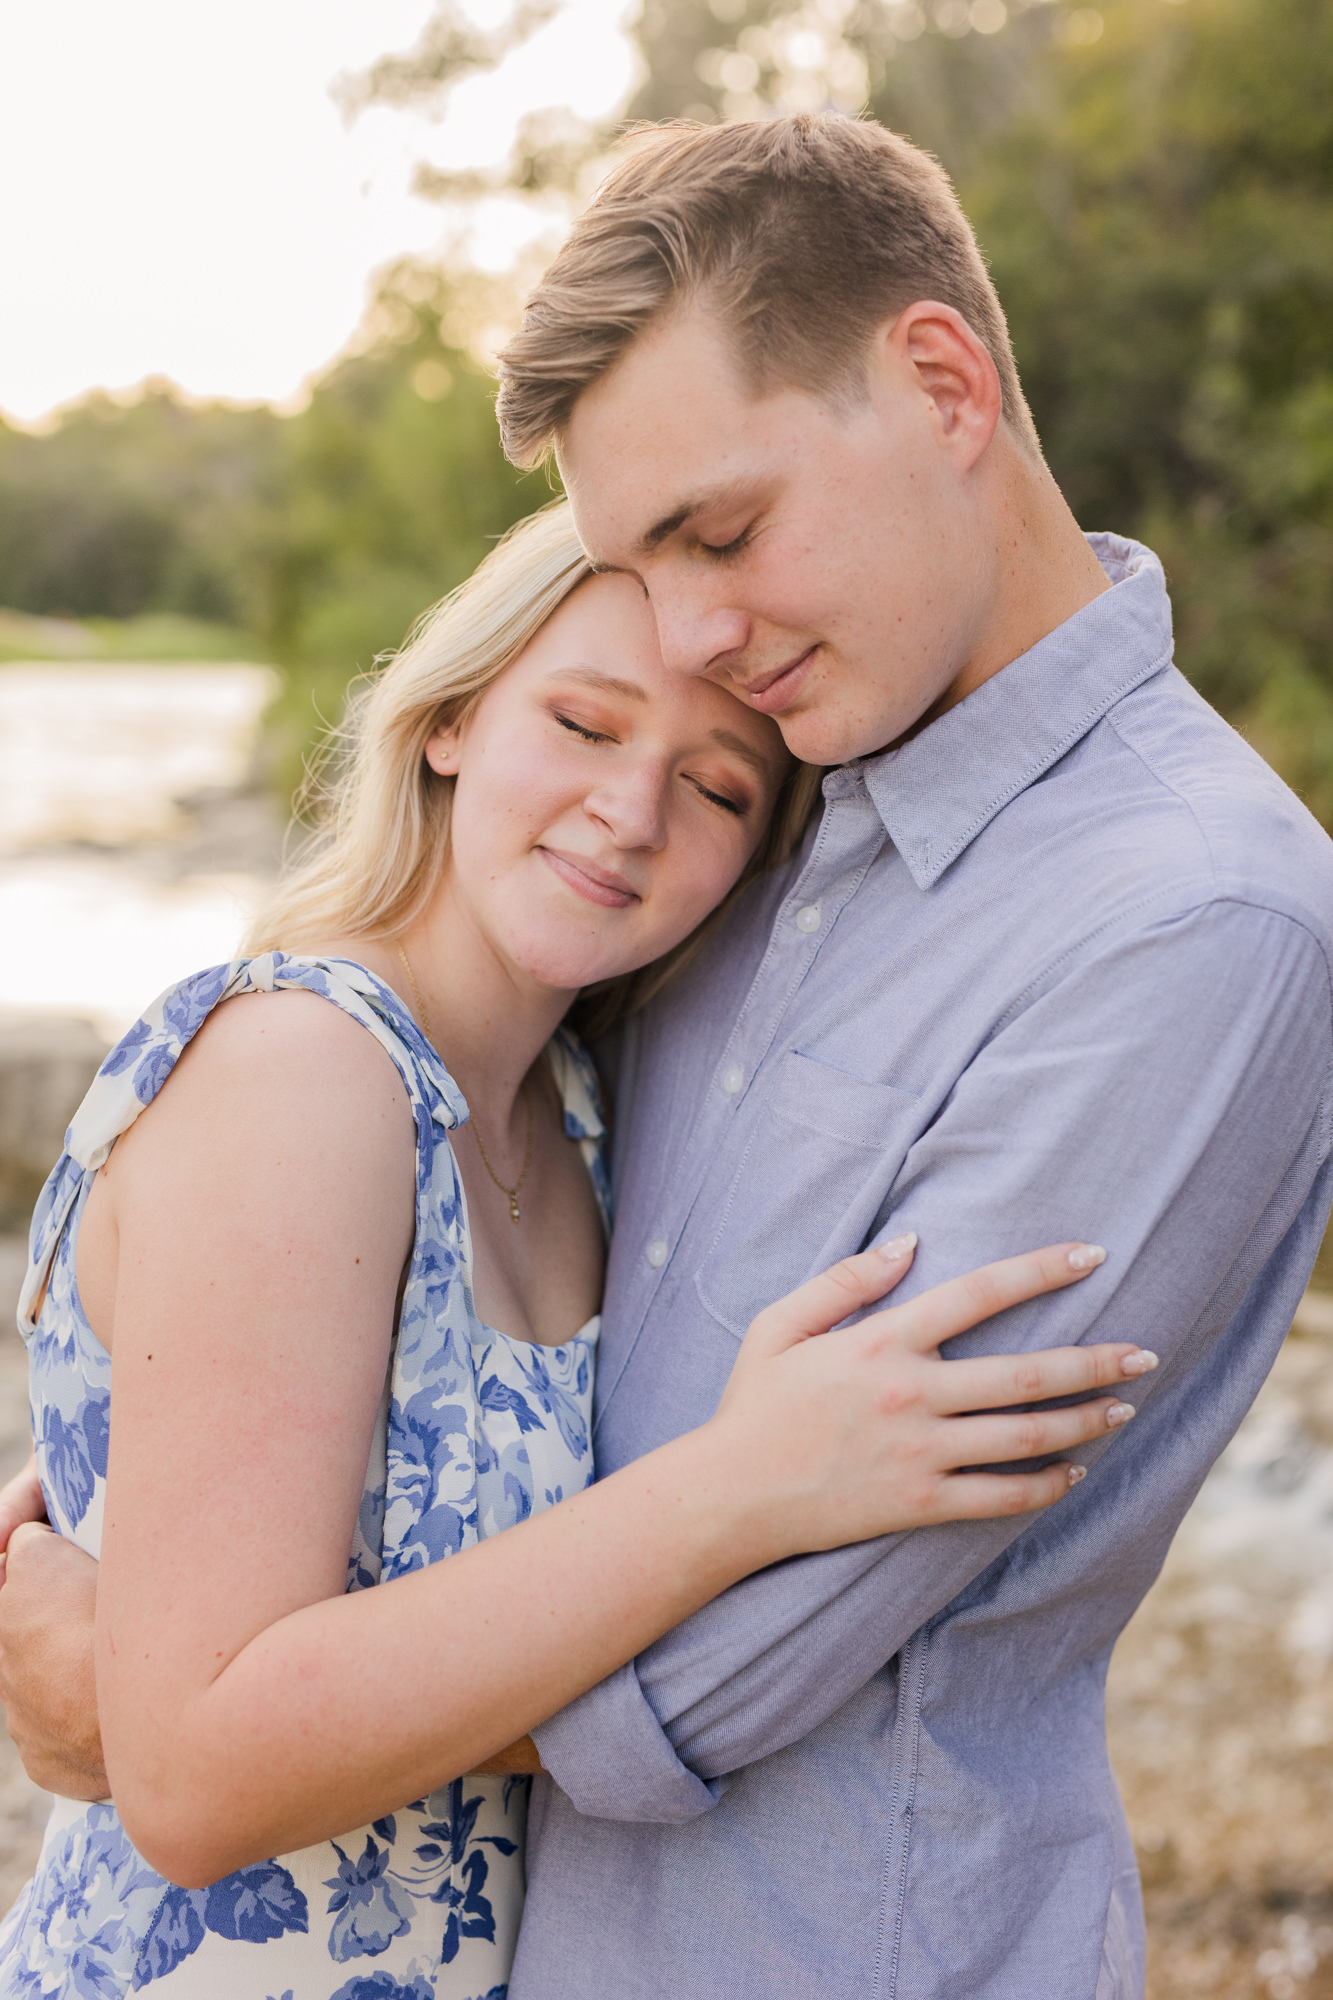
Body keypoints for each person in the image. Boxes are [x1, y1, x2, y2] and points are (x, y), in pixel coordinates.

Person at [0, 499, 1146, 2000]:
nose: (631, 812)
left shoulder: (587, 1115)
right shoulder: (299, 1074)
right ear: (453, 718)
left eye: (719, 789)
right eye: (584, 724)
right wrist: (742, 1484)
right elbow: (202, 1786)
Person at [475, 115, 1333, 1999]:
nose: (695, 632)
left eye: (723, 531)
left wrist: (200, 1701)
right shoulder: (744, 792)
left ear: (939, 379)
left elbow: (730, 1668)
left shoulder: (1193, 919)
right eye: (639, 562)